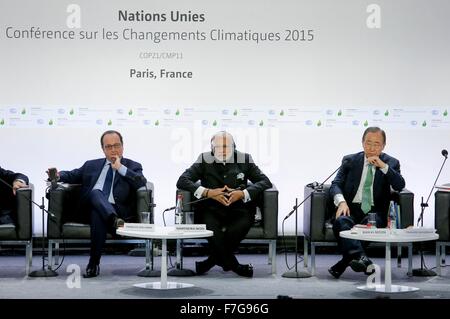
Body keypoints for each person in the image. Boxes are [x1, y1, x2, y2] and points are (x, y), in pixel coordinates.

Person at [47, 130, 146, 278]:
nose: (113, 150)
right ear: (103, 149)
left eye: (116, 145)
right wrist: (58, 175)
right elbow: (73, 174)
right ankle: (112, 220)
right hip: (87, 210)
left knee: (97, 214)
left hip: (116, 211)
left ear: (123, 146)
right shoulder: (91, 165)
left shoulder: (133, 165)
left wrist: (120, 168)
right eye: (109, 146)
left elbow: (141, 182)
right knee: (95, 192)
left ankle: (93, 264)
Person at [176, 131, 272, 278]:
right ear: (212, 148)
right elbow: (182, 180)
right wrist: (208, 192)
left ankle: (208, 263)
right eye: (218, 147)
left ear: (234, 147)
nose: (222, 150)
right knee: (211, 228)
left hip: (239, 208)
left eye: (226, 146)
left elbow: (265, 182)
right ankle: (236, 267)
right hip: (211, 209)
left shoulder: (244, 159)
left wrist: (243, 193)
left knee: (239, 226)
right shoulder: (204, 159)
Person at [328, 127, 405, 279]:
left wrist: (383, 166)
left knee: (372, 222)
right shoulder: (350, 160)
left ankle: (345, 262)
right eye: (368, 143)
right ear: (362, 143)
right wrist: (342, 203)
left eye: (377, 144)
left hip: (375, 212)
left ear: (383, 146)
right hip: (350, 208)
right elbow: (335, 184)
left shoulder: (391, 163)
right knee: (342, 221)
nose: (372, 147)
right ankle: (364, 260)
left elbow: (400, 186)